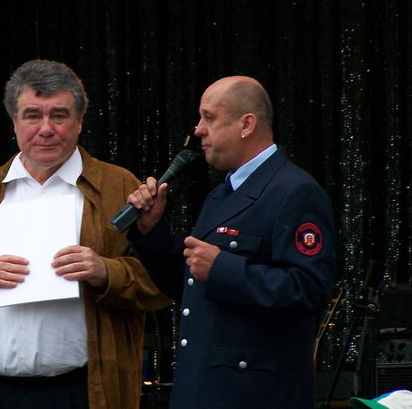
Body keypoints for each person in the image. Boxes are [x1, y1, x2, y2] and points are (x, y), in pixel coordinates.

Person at [0, 59, 169, 409]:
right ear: (14, 123)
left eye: (60, 115)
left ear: (80, 122)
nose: (46, 129)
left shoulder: (120, 188)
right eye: (33, 115)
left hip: (84, 392)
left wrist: (105, 271)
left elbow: (163, 285)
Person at [126, 75, 336, 409]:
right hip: (203, 390)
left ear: (246, 124)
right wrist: (152, 231)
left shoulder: (294, 191)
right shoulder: (222, 194)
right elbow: (191, 284)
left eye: (209, 117)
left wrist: (223, 268)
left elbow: (309, 290)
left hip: (254, 395)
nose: (197, 129)